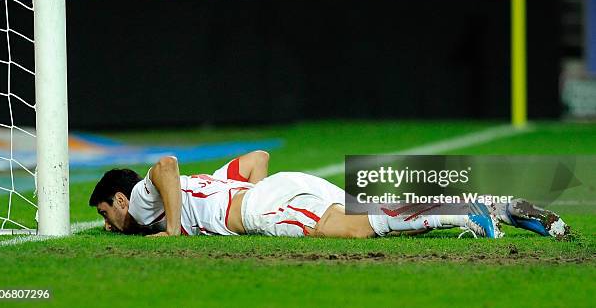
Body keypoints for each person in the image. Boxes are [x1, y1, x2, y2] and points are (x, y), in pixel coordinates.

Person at [88, 151, 570, 239]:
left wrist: (172, 229)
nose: (110, 224)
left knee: (357, 228)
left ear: (121, 198)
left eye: (107, 212)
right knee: (368, 212)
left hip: (264, 207)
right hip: (282, 188)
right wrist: (251, 192)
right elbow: (257, 157)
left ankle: (463, 210)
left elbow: (166, 165)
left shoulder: (145, 201)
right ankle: (482, 207)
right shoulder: (206, 182)